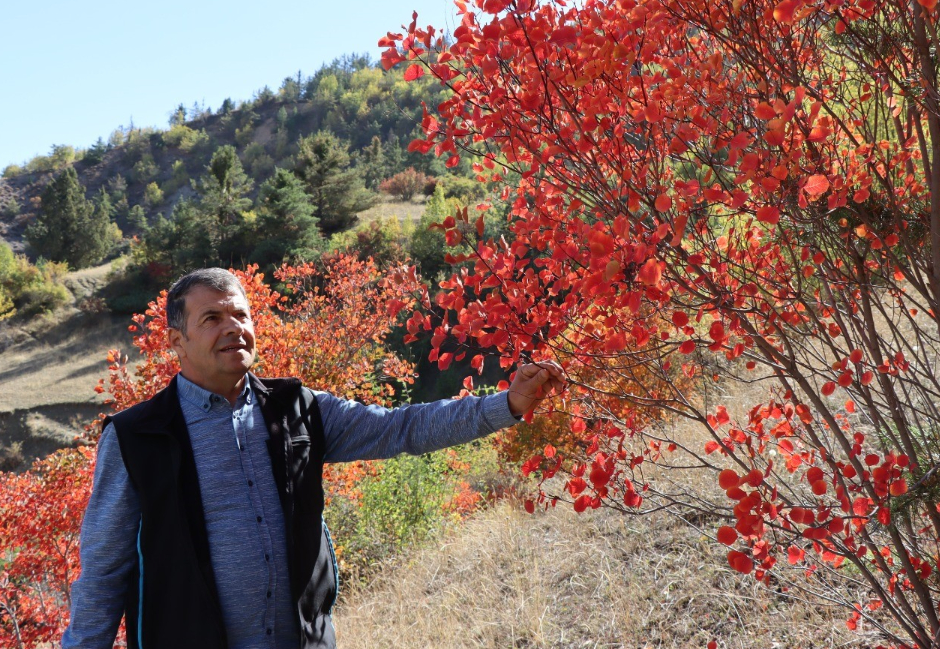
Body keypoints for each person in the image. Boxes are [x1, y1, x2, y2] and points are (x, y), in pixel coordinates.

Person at [62, 268, 565, 649]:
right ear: (177, 340)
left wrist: (508, 405)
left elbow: (400, 428)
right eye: (212, 318)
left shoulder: (297, 410)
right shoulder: (136, 438)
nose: (233, 328)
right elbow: (104, 572)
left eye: (240, 315)